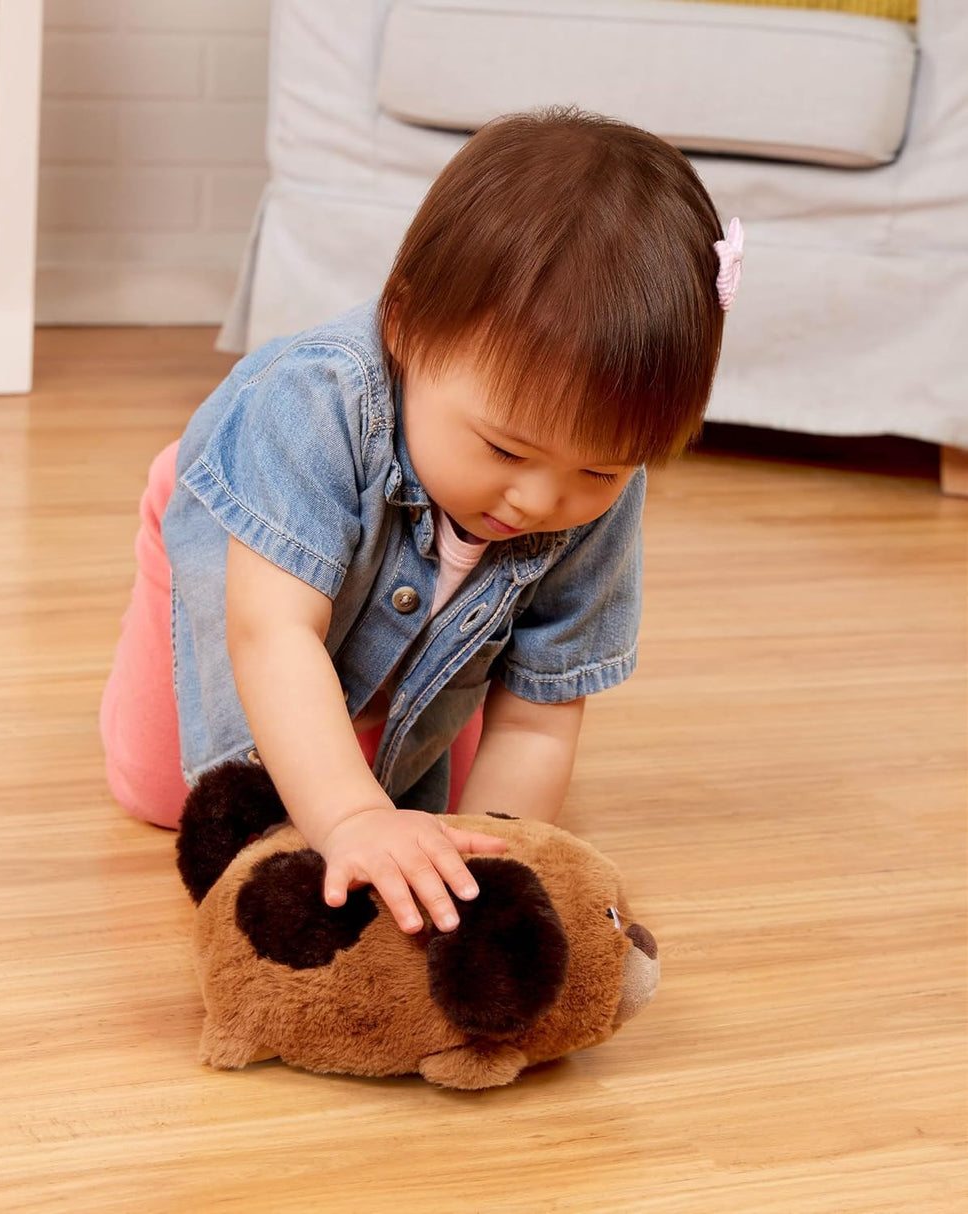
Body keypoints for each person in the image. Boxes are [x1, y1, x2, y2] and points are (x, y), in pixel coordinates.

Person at [100, 107, 742, 938]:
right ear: (404, 326)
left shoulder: (596, 492)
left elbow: (541, 706)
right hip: (248, 551)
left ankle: (393, 685)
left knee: (434, 817)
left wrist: (494, 873)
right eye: (506, 448)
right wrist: (349, 820)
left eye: (599, 470)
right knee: (178, 796)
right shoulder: (314, 403)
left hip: (434, 602)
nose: (542, 503)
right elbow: (272, 633)